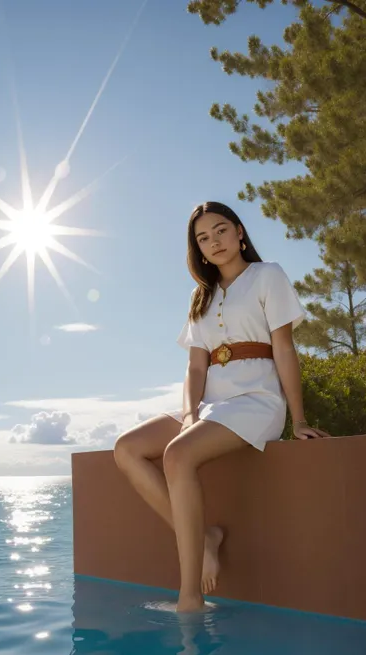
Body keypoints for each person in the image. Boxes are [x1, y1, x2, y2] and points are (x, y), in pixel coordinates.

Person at [114, 201, 329, 613]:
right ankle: (205, 535)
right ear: (197, 248)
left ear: (240, 232)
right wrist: (190, 413)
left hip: (256, 402)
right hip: (210, 407)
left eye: (220, 230)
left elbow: (284, 349)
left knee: (177, 455)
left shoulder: (268, 275)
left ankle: (189, 597)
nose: (214, 241)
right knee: (127, 449)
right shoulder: (201, 297)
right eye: (203, 238)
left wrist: (298, 420)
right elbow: (195, 367)